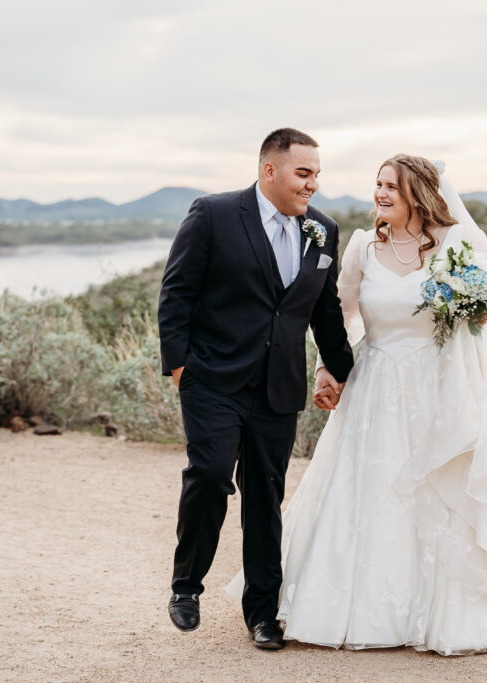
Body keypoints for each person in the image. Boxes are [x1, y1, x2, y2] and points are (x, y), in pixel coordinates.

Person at [230, 154, 487, 655]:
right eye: (377, 184)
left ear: (418, 192)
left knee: (440, 494)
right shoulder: (361, 248)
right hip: (375, 391)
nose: (381, 193)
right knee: (366, 492)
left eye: (391, 185)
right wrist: (326, 370)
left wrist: (472, 310)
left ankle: (447, 607)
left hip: (440, 389)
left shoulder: (455, 245)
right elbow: (339, 317)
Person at [158, 128, 354, 650]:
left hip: (279, 387)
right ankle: (186, 585)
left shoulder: (323, 230)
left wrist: (342, 370)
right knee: (211, 472)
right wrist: (181, 369)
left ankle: (263, 615)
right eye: (303, 173)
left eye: (317, 174)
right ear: (270, 170)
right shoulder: (214, 215)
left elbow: (324, 310)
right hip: (212, 381)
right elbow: (176, 292)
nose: (313, 184)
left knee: (266, 497)